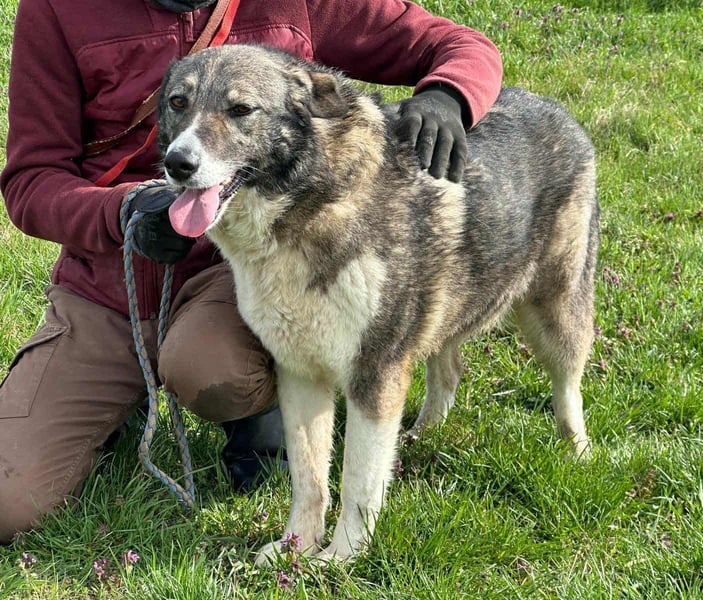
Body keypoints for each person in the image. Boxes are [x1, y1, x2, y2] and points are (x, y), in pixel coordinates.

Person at [0, 0, 502, 544]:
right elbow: (31, 179)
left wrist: (447, 94)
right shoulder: (56, 8)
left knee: (213, 369)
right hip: (106, 282)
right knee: (6, 503)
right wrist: (120, 212)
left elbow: (461, 47)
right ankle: (118, 403)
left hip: (240, 268)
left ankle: (262, 422)